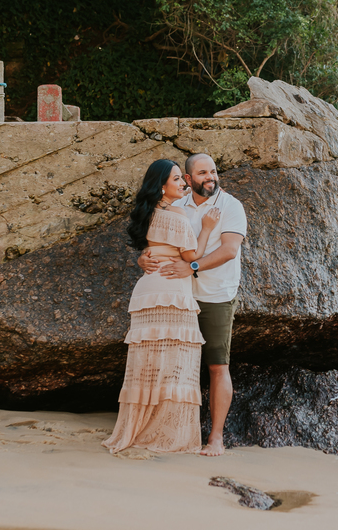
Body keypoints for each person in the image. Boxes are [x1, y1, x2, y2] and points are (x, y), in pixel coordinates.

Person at [103, 159, 219, 454]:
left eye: (182, 178)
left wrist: (143, 257)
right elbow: (192, 255)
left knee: (148, 364)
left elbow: (149, 248)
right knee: (176, 364)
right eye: (177, 179)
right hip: (171, 291)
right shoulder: (177, 215)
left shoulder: (147, 214)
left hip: (147, 291)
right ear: (162, 186)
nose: (183, 183)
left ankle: (139, 429)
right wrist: (207, 228)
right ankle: (168, 435)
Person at [139, 153, 247, 456]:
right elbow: (160, 243)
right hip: (180, 294)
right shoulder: (177, 204)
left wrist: (192, 267)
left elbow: (229, 250)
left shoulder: (231, 206)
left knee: (217, 365)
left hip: (215, 295)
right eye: (202, 173)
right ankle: (168, 429)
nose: (210, 177)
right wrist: (143, 258)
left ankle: (216, 438)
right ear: (188, 178)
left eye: (213, 171)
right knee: (173, 365)